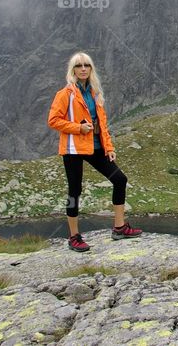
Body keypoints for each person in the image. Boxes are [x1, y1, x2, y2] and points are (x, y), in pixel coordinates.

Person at [47, 51, 142, 251]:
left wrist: (109, 147)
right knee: (75, 191)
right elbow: (53, 120)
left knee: (120, 179)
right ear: (72, 70)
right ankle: (74, 237)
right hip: (73, 148)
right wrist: (78, 128)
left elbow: (102, 124)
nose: (83, 69)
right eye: (78, 65)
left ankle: (119, 227)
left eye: (86, 65)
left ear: (91, 69)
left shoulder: (94, 93)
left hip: (95, 147)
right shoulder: (65, 94)